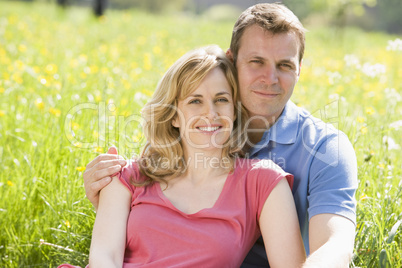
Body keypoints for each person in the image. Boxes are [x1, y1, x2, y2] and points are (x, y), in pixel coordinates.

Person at [83, 3, 358, 267]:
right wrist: (113, 204)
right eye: (256, 61)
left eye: (285, 65)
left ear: (299, 69)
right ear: (231, 60)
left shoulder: (322, 149)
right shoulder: (192, 136)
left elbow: (336, 245)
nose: (270, 78)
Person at [66, 45, 305, 267]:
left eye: (221, 100)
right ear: (174, 116)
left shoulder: (262, 181)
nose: (210, 113)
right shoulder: (128, 177)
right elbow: (104, 257)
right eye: (195, 101)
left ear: (234, 110)